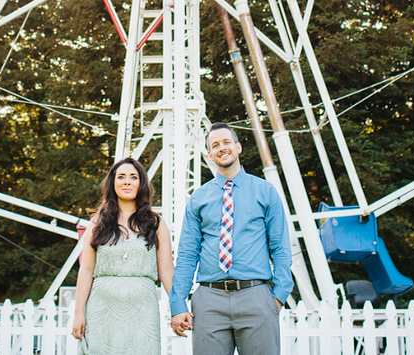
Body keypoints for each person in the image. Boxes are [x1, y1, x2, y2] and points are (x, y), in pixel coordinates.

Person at [169, 123, 293, 355]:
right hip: (209, 301)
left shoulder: (265, 192)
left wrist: (279, 295)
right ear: (209, 154)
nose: (221, 148)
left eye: (226, 142)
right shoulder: (199, 198)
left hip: (256, 297)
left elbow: (280, 248)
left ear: (238, 147)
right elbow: (187, 254)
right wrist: (177, 304)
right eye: (215, 145)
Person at [71, 157, 174, 355]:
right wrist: (78, 314)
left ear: (141, 184)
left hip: (143, 315)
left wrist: (178, 307)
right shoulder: (97, 223)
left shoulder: (156, 223)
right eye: (121, 177)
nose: (127, 181)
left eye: (133, 177)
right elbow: (86, 270)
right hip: (100, 314)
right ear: (113, 183)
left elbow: (167, 270)